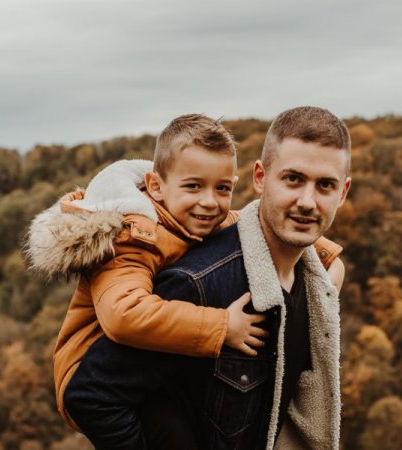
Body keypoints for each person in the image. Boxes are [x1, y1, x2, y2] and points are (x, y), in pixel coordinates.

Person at [25, 113, 344, 449]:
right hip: (90, 365)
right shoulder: (135, 239)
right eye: (193, 186)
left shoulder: (194, 221)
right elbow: (122, 318)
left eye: (222, 189)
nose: (209, 201)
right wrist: (223, 327)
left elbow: (253, 225)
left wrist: (327, 267)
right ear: (155, 187)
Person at [147, 105, 352, 449]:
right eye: (293, 179)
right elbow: (91, 395)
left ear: (342, 193)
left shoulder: (316, 288)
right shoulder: (197, 282)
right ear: (260, 177)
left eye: (325, 185)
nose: (307, 201)